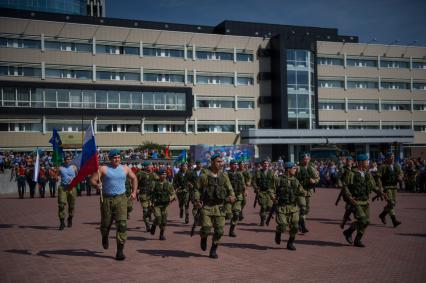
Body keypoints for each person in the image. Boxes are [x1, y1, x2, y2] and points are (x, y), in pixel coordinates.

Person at [91, 149, 137, 261]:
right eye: (114, 157)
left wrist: (134, 192)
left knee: (122, 224)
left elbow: (134, 178)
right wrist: (97, 186)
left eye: (118, 157)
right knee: (106, 225)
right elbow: (92, 180)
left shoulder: (125, 168)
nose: (116, 159)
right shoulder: (103, 169)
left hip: (121, 199)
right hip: (107, 199)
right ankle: (105, 236)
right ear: (110, 158)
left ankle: (120, 251)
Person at [194, 153, 235, 259]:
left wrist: (232, 196)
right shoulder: (204, 176)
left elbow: (230, 189)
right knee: (207, 228)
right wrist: (197, 201)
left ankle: (213, 249)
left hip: (220, 207)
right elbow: (197, 189)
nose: (221, 164)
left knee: (219, 231)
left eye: (221, 161)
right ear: (212, 162)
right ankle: (203, 237)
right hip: (207, 206)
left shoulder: (224, 176)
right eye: (218, 161)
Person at [342, 154, 384, 247]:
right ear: (361, 162)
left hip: (365, 201)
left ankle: (357, 239)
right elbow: (345, 186)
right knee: (363, 220)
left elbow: (373, 185)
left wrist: (379, 192)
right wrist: (349, 197)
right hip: (356, 201)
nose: (368, 163)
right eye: (366, 161)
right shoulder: (352, 173)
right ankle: (349, 232)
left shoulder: (367, 173)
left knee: (367, 222)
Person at [274, 162, 305, 250]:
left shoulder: (296, 181)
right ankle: (278, 232)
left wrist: (302, 205)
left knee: (295, 226)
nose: (295, 170)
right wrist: (274, 198)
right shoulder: (278, 179)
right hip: (282, 207)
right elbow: (272, 190)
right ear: (288, 169)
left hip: (293, 207)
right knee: (283, 226)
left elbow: (301, 192)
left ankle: (290, 242)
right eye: (294, 168)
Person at [296, 153, 320, 233]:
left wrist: (314, 181)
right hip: (300, 191)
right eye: (305, 159)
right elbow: (294, 179)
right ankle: (303, 226)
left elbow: (317, 177)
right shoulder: (298, 168)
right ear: (302, 159)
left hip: (308, 191)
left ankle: (300, 221)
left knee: (306, 209)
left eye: (308, 159)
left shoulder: (312, 168)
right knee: (303, 207)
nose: (306, 160)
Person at [378, 152, 403, 227]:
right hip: (387, 187)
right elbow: (379, 178)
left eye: (393, 156)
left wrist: (400, 176)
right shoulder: (383, 167)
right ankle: (394, 221)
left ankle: (382, 215)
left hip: (394, 187)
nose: (392, 158)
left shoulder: (397, 165)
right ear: (387, 158)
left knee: (392, 203)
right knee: (391, 203)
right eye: (390, 156)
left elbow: (401, 173)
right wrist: (380, 188)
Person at [149, 169, 175, 240]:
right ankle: (154, 225)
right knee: (158, 217)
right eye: (162, 174)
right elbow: (150, 194)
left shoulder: (169, 184)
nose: (164, 175)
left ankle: (161, 235)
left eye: (165, 174)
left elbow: (173, 193)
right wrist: (150, 202)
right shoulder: (154, 183)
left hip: (165, 205)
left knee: (164, 221)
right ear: (159, 175)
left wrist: (171, 197)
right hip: (156, 204)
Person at [252, 160, 277, 226]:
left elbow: (275, 182)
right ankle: (262, 219)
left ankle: (266, 214)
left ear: (269, 165)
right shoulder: (258, 172)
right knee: (263, 206)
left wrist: (275, 191)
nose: (266, 165)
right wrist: (256, 188)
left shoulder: (272, 172)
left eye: (267, 163)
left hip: (270, 192)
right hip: (261, 191)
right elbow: (253, 181)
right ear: (262, 165)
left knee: (269, 206)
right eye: (264, 163)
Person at [225, 160, 246, 237]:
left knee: (236, 214)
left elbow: (243, 183)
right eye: (234, 164)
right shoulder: (226, 174)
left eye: (236, 164)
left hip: (238, 196)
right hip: (229, 196)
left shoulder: (240, 174)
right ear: (230, 165)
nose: (236, 166)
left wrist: (244, 191)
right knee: (228, 215)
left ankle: (231, 230)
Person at [58, 155, 78, 230]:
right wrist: (56, 177)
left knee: (71, 205)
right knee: (61, 204)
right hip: (63, 188)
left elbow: (78, 176)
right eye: (66, 159)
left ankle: (70, 218)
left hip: (72, 188)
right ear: (64, 160)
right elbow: (56, 176)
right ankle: (62, 222)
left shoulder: (74, 167)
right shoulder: (60, 168)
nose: (68, 160)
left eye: (69, 159)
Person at [137, 161, 157, 232]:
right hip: (143, 195)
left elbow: (159, 180)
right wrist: (136, 189)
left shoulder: (153, 174)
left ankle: (148, 218)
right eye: (150, 165)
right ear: (146, 167)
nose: (152, 167)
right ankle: (148, 225)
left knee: (151, 209)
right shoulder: (140, 174)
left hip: (151, 196)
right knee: (145, 211)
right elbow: (134, 182)